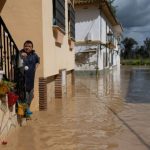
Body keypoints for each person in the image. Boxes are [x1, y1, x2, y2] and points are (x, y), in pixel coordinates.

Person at [20, 40, 40, 115]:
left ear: (32, 48)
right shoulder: (20, 54)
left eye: (29, 46)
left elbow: (38, 61)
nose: (27, 47)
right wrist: (21, 57)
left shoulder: (34, 55)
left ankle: (27, 108)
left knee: (31, 96)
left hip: (31, 79)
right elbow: (14, 62)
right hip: (23, 79)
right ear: (23, 46)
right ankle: (26, 110)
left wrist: (36, 67)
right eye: (26, 46)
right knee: (25, 96)